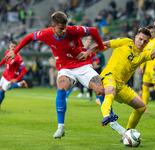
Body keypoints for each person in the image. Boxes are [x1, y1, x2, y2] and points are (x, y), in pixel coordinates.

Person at [5, 11, 108, 139]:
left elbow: (93, 30)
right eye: (61, 28)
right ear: (53, 27)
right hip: (65, 67)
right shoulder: (45, 34)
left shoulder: (73, 30)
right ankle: (61, 127)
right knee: (61, 88)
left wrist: (101, 46)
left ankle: (111, 119)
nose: (64, 30)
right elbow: (29, 37)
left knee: (100, 90)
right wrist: (15, 51)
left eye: (65, 27)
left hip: (82, 64)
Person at [77, 16, 155, 139]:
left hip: (121, 85)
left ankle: (128, 134)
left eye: (145, 41)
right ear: (135, 37)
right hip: (109, 76)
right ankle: (107, 116)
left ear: (148, 42)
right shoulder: (125, 42)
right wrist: (87, 52)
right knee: (110, 92)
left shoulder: (143, 55)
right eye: (140, 39)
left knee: (141, 107)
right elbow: (104, 45)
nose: (142, 42)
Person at [0, 41, 28, 108]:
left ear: (17, 48)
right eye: (12, 46)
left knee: (1, 91)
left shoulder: (18, 58)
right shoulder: (7, 52)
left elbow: (24, 70)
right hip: (5, 75)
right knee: (1, 89)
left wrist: (16, 79)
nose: (13, 48)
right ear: (9, 46)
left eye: (14, 47)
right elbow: (4, 60)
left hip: (11, 77)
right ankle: (20, 84)